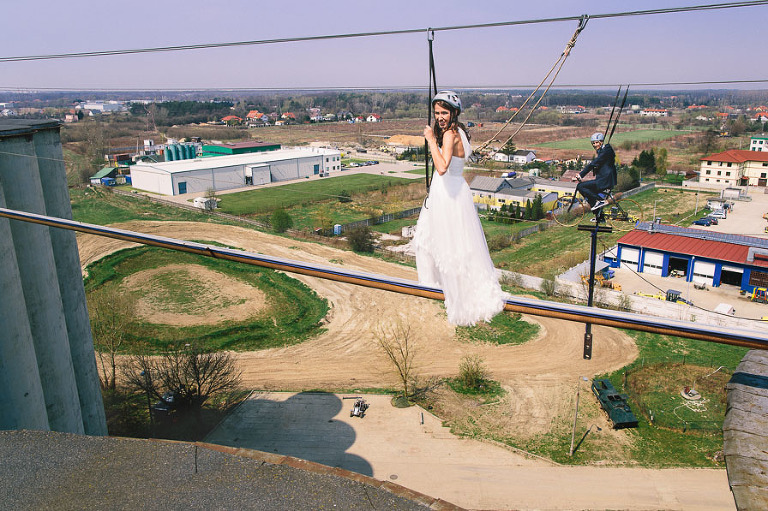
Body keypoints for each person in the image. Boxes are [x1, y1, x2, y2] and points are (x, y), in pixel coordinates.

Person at [412, 91, 507, 326]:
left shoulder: (449, 135)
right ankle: (449, 289)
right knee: (456, 243)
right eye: (436, 113)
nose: (439, 117)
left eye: (444, 113)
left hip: (447, 193)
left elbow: (442, 167)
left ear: (454, 113)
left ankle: (441, 290)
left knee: (437, 243)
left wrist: (431, 140)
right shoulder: (460, 132)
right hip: (455, 190)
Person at [572, 132, 618, 213]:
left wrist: (581, 175)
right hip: (604, 179)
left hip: (605, 180)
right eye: (593, 143)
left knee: (581, 186)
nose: (594, 145)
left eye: (596, 142)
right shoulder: (602, 150)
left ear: (601, 142)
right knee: (590, 196)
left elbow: (593, 163)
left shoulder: (606, 151)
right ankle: (599, 216)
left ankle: (600, 200)